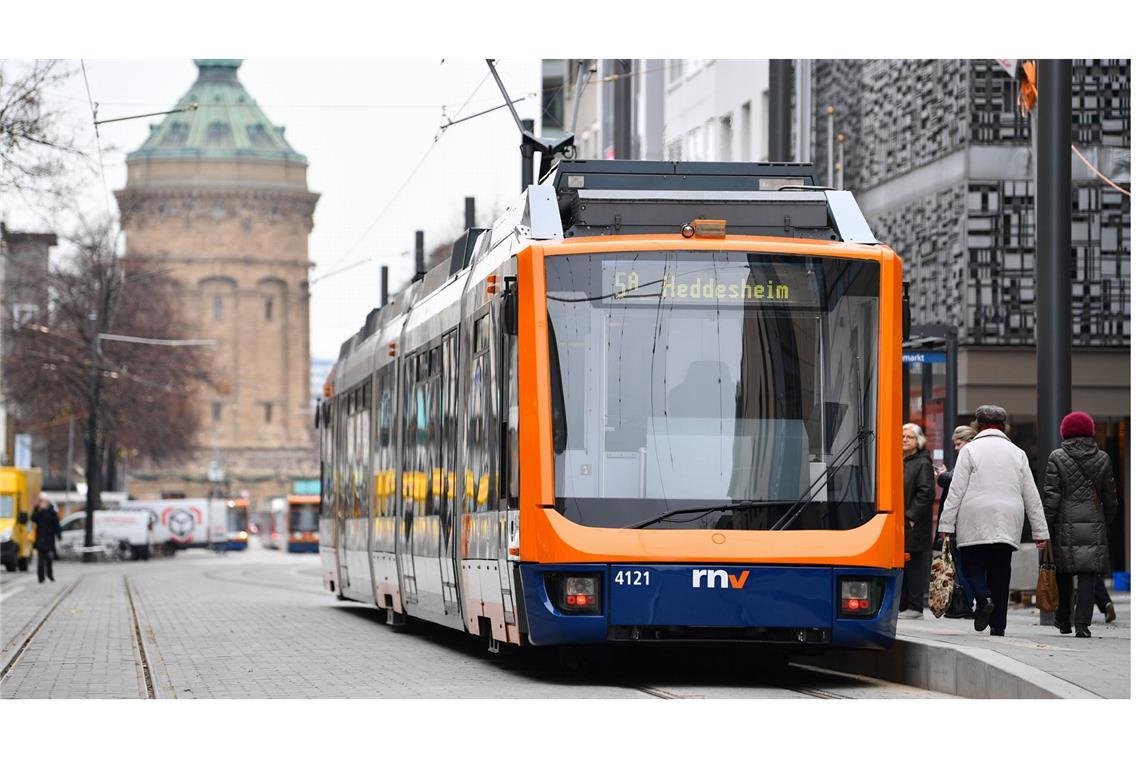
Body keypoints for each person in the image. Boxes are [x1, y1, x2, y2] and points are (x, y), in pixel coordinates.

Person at [938, 405, 1049, 636]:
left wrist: (946, 526)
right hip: (1008, 517)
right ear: (1004, 427)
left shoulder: (970, 451)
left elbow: (956, 491)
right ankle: (998, 626)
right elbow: (1031, 495)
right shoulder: (1018, 453)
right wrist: (1040, 532)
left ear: (976, 426)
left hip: (975, 516)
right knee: (1001, 570)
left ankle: (983, 597)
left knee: (972, 564)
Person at [1042, 411, 1118, 638]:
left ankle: (1063, 620)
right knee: (1088, 574)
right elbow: (1111, 497)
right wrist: (1105, 520)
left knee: (1063, 572)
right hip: (1094, 521)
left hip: (1064, 523)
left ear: (1065, 432)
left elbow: (1051, 496)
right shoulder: (1103, 458)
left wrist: (1045, 525)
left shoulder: (1057, 457)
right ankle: (1082, 625)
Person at [933, 424, 978, 617]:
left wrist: (942, 475)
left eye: (959, 443)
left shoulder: (969, 457)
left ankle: (966, 603)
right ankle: (968, 602)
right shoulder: (967, 457)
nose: (957, 448)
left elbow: (952, 481)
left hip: (962, 522)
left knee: (962, 565)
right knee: (962, 565)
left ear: (968, 441)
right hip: (964, 521)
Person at [899, 423, 934, 619]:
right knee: (903, 565)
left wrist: (911, 517)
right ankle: (903, 606)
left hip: (913, 524)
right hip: (901, 523)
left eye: (909, 437)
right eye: (902, 436)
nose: (904, 440)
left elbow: (926, 493)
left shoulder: (922, 463)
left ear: (918, 441)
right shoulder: (903, 461)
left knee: (914, 566)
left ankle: (915, 607)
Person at [30, 498, 61, 583]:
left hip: (49, 539)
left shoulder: (52, 512)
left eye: (44, 502)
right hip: (40, 539)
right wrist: (37, 509)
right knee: (40, 560)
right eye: (42, 502)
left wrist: (59, 535)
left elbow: (56, 525)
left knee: (49, 559)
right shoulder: (39, 511)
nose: (43, 503)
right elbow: (33, 518)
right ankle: (41, 577)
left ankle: (49, 575)